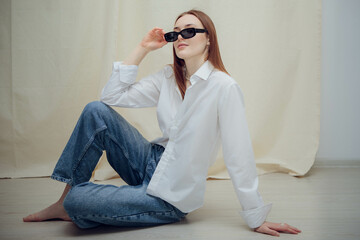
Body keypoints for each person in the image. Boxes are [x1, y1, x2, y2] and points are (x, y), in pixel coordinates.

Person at [23, 10, 301, 237]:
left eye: (189, 30)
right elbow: (111, 96)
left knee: (78, 203)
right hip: (150, 161)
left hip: (171, 194)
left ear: (208, 39)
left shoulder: (224, 88)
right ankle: (64, 200)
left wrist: (255, 217)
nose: (180, 36)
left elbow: (238, 154)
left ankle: (78, 202)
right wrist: (143, 48)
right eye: (175, 33)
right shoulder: (168, 77)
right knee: (96, 111)